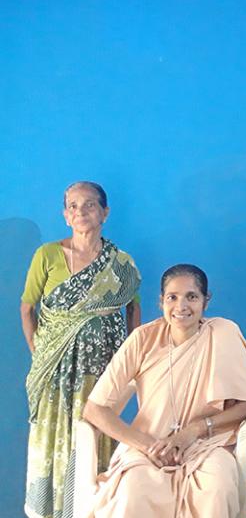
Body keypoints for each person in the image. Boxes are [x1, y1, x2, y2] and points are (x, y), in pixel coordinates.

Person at [83, 264, 246, 518]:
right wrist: (148, 446)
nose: (181, 307)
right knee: (132, 491)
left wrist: (195, 429)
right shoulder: (142, 339)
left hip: (208, 445)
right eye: (172, 297)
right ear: (161, 302)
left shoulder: (224, 333)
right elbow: (94, 409)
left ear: (206, 300)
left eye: (192, 296)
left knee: (216, 490)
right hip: (150, 445)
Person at [21, 181, 141, 518]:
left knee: (97, 431)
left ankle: (94, 508)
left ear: (105, 212)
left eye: (89, 205)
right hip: (56, 371)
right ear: (64, 215)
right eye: (73, 206)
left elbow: (133, 308)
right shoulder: (46, 255)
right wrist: (41, 356)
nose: (80, 212)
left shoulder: (120, 262)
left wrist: (129, 359)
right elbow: (27, 309)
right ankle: (54, 509)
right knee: (54, 434)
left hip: (103, 366)